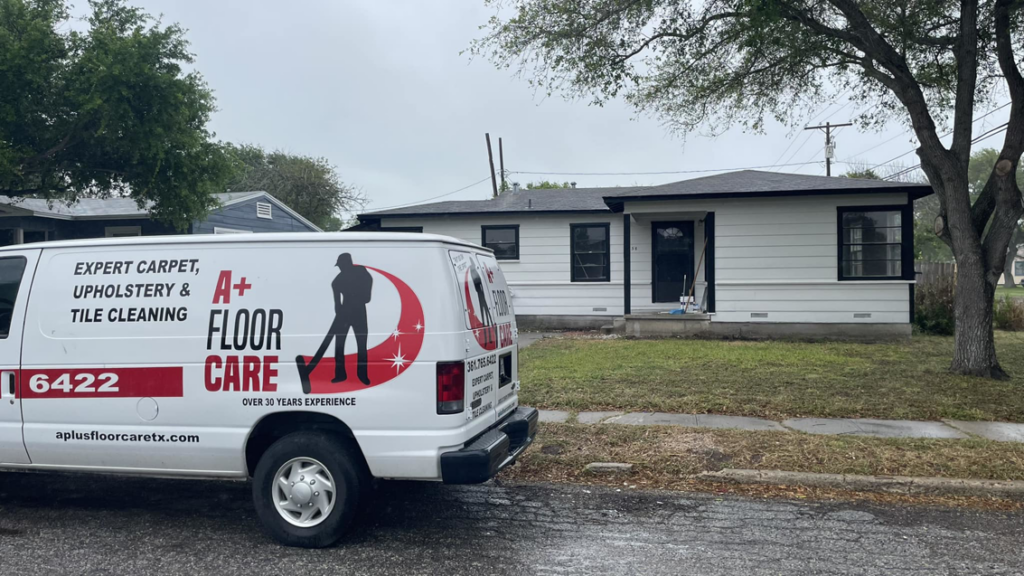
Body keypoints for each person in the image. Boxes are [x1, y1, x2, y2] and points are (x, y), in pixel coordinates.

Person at [297, 253, 373, 393]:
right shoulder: (336, 282)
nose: (340, 268)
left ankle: (362, 375)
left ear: (347, 263)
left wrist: (365, 296)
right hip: (344, 313)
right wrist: (340, 316)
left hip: (359, 312)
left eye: (341, 265)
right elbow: (337, 304)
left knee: (361, 344)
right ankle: (340, 374)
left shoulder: (361, 271)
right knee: (339, 344)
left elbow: (368, 284)